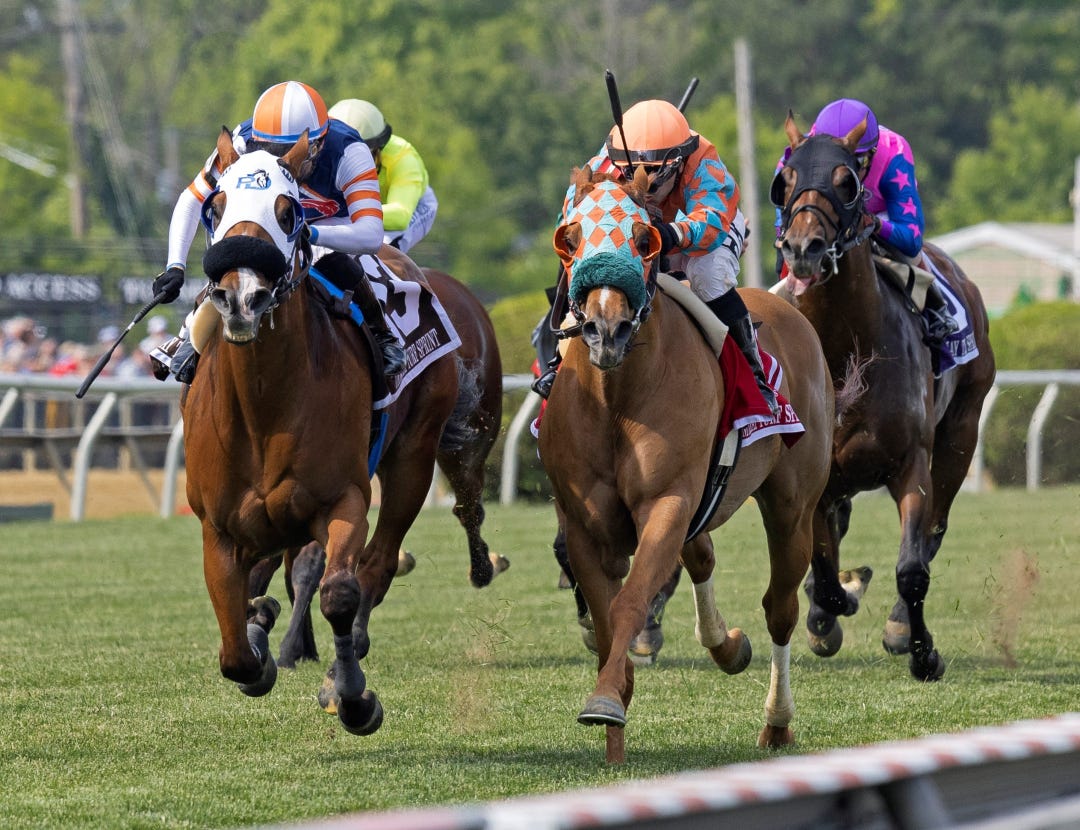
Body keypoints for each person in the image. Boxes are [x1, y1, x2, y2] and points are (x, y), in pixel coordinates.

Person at [149, 80, 405, 383]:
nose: (279, 161)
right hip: (270, 224)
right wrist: (174, 266)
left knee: (336, 262)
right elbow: (192, 200)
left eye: (288, 152)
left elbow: (371, 234)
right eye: (267, 150)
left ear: (317, 144)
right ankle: (186, 335)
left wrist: (311, 235)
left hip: (329, 226)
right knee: (233, 260)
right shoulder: (242, 142)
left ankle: (381, 333)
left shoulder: (350, 153)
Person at [534, 99, 777, 415]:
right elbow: (568, 216)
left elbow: (713, 220)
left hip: (703, 232)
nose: (642, 181)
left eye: (651, 173)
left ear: (677, 162)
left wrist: (667, 233)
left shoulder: (704, 163)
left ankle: (753, 374)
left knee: (708, 275)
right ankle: (558, 355)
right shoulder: (606, 163)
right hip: (640, 232)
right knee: (584, 253)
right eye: (631, 171)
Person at [775, 98, 957, 342]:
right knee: (793, 253)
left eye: (857, 160)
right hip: (827, 216)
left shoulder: (894, 153)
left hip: (877, 213)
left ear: (871, 153)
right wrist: (783, 238)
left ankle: (936, 311)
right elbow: (784, 211)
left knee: (911, 256)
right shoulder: (800, 154)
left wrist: (874, 224)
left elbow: (912, 239)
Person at [327, 99, 438, 256]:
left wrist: (348, 214)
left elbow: (401, 216)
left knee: (378, 248)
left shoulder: (404, 159)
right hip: (356, 211)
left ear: (378, 149)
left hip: (411, 209)